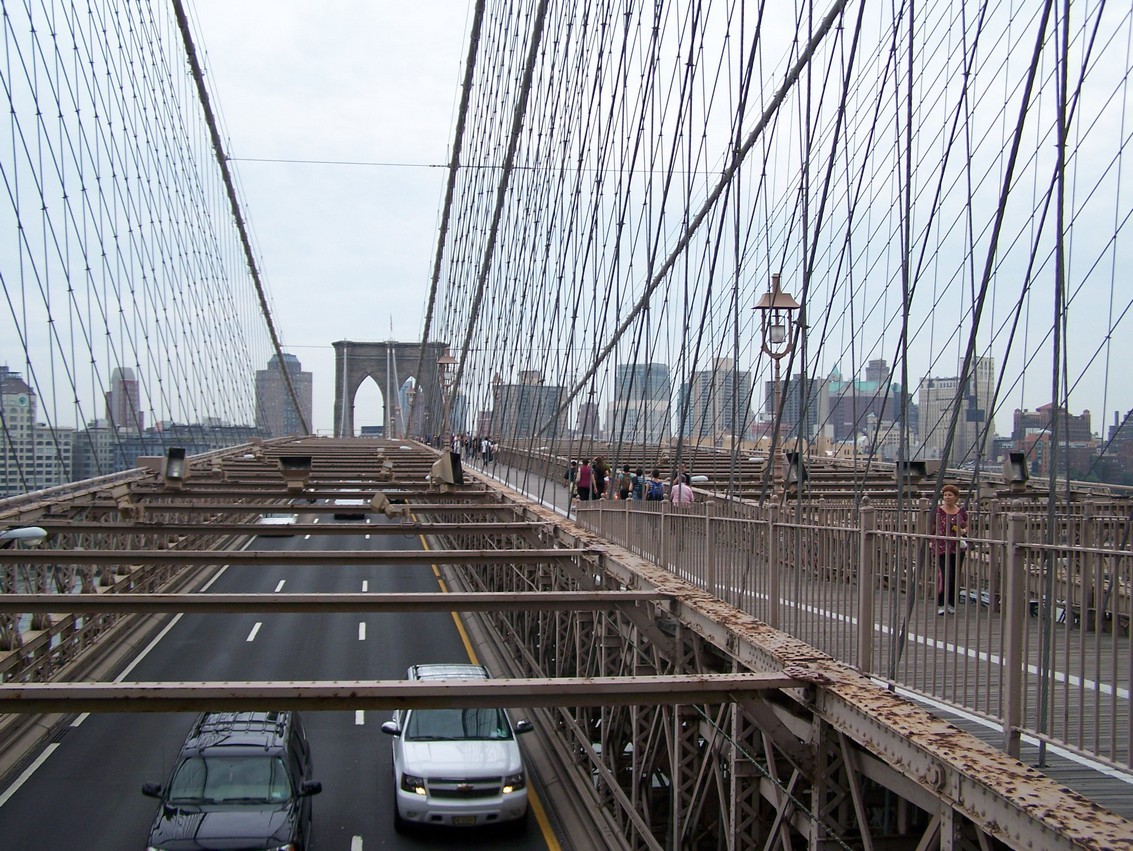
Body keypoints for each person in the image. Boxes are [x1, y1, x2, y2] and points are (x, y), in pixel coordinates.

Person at [933, 484, 968, 615]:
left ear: (956, 497)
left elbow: (967, 525)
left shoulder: (961, 511)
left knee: (955, 575)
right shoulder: (938, 511)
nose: (947, 497)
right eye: (945, 495)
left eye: (950, 495)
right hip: (941, 547)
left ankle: (952, 603)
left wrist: (963, 531)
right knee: (945, 574)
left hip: (957, 548)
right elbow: (931, 526)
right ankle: (942, 603)